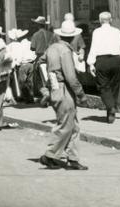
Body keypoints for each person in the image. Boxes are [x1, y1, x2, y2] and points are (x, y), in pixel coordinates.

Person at [39, 19, 89, 170]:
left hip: (55, 87)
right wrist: (81, 94)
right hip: (63, 88)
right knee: (66, 125)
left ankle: (73, 159)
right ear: (73, 37)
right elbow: (71, 77)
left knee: (73, 126)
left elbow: (40, 65)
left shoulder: (51, 48)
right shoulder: (65, 51)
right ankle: (50, 155)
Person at [87, 12, 120, 123]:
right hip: (115, 61)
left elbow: (94, 47)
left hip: (102, 61)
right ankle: (111, 111)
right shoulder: (117, 32)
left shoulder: (96, 32)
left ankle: (111, 107)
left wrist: (91, 63)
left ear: (100, 20)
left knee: (103, 86)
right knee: (114, 86)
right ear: (110, 20)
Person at [6, 28, 36, 101]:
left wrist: (16, 63)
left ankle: (23, 96)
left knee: (21, 82)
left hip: (22, 64)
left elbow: (15, 56)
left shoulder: (15, 45)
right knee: (30, 81)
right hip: (31, 63)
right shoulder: (27, 43)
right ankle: (30, 96)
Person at [29, 16, 53, 101]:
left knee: (38, 78)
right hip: (51, 58)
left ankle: (45, 93)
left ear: (37, 25)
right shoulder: (51, 34)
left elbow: (32, 48)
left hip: (40, 58)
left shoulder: (36, 35)